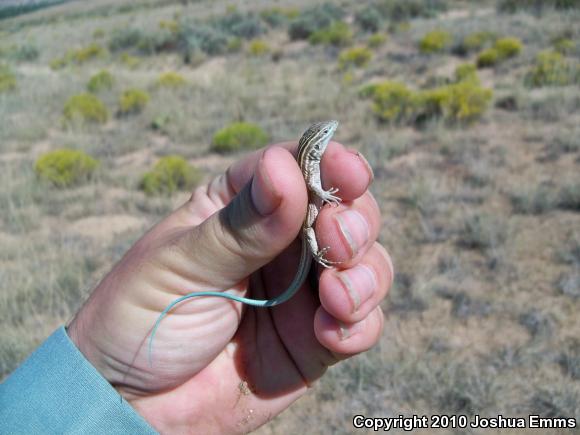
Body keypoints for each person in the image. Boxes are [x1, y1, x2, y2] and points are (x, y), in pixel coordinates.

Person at [1, 140, 393, 433]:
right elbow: (313, 198)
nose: (329, 139)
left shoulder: (308, 167)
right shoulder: (303, 169)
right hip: (303, 231)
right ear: (315, 149)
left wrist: (104, 395)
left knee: (326, 261)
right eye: (324, 137)